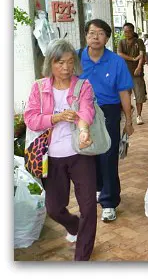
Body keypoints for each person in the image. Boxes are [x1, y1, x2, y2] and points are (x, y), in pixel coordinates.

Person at [24, 39, 97, 261]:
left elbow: (87, 111)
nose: (65, 68)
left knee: (88, 206)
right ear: (50, 63)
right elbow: (31, 119)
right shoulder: (38, 87)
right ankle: (74, 226)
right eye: (60, 63)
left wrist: (83, 130)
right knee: (54, 208)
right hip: (51, 157)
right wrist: (55, 117)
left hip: (79, 154)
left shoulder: (82, 86)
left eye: (69, 62)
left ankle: (82, 256)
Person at [79, 19, 134, 222]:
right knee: (87, 153)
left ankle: (109, 202)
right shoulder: (76, 58)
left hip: (109, 111)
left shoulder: (116, 61)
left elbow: (124, 92)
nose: (95, 37)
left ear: (107, 38)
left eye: (101, 33)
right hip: (82, 113)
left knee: (108, 155)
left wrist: (128, 120)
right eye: (92, 33)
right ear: (86, 35)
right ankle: (98, 188)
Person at [117, 23, 147, 125]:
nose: (127, 33)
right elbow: (120, 54)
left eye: (129, 31)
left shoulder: (139, 41)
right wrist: (133, 58)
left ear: (133, 31)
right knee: (125, 96)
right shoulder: (121, 42)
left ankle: (139, 115)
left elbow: (141, 55)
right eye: (125, 31)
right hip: (125, 74)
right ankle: (128, 115)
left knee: (139, 95)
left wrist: (139, 67)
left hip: (137, 74)